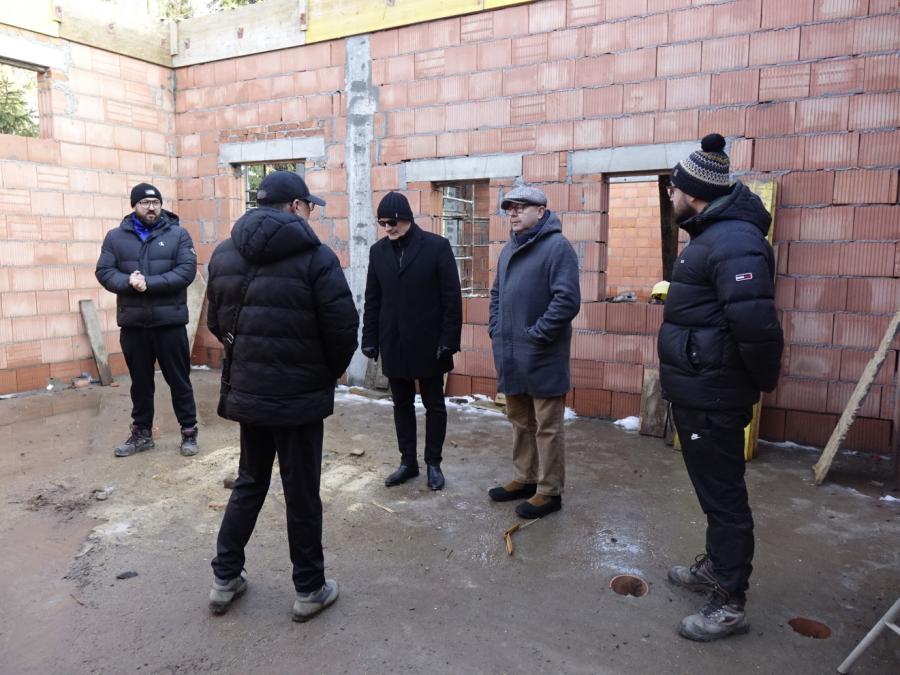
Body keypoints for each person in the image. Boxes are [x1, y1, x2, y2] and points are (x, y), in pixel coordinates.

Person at [205, 171, 358, 622]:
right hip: (298, 399)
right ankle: (309, 589)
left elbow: (216, 322)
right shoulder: (317, 257)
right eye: (308, 205)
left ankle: (224, 578)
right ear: (295, 206)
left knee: (250, 481)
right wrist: (323, 373)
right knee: (301, 493)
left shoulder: (224, 253)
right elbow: (342, 328)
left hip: (250, 392)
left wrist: (249, 361)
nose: (310, 213)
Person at [658, 133, 783, 642]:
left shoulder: (734, 241)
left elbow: (756, 326)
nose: (670, 194)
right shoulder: (712, 235)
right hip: (701, 390)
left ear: (692, 191)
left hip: (714, 394)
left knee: (725, 498)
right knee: (713, 493)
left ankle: (729, 603)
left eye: (673, 187)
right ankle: (716, 567)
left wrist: (754, 384)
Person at [487, 184, 580, 519]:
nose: (513, 213)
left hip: (542, 354)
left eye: (520, 207)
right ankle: (525, 479)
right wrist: (496, 328)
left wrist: (537, 334)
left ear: (540, 211)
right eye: (509, 208)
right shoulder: (509, 249)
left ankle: (549, 491)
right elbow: (496, 295)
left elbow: (566, 300)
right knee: (520, 420)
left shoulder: (557, 248)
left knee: (547, 426)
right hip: (511, 353)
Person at [362, 192, 462, 491]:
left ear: (406, 218)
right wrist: (370, 338)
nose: (387, 228)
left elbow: (451, 299)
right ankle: (408, 462)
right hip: (394, 341)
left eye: (391, 222)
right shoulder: (378, 252)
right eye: (382, 223)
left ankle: (434, 463)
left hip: (430, 343)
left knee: (434, 405)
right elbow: (373, 299)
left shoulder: (436, 246)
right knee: (401, 404)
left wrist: (449, 339)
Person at [95, 183, 199, 458]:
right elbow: (104, 271)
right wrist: (129, 282)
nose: (151, 207)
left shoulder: (178, 234)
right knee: (140, 383)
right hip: (134, 324)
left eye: (155, 202)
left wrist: (148, 284)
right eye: (144, 203)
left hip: (170, 323)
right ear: (134, 206)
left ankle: (189, 432)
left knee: (179, 380)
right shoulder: (115, 237)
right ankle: (142, 433)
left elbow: (186, 271)